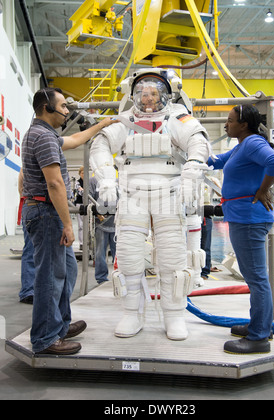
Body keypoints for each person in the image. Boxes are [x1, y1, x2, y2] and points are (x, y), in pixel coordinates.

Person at [90, 69, 211, 341]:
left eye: (154, 92)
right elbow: (100, 145)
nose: (148, 97)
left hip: (169, 193)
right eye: (142, 92)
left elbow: (198, 142)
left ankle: (174, 315)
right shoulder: (125, 120)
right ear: (134, 95)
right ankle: (132, 313)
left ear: (165, 94)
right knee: (130, 257)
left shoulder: (177, 117)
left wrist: (192, 170)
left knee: (172, 259)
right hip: (132, 195)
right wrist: (107, 178)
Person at [21, 87, 117, 355]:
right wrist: (67, 224)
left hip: (45, 212)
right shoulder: (43, 137)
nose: (67, 111)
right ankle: (45, 338)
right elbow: (54, 184)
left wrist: (102, 124)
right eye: (63, 106)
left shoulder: (45, 134)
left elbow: (75, 140)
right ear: (46, 108)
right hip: (46, 213)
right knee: (49, 277)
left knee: (66, 271)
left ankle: (59, 325)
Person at [207, 104, 274, 355]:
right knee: (256, 278)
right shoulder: (240, 146)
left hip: (249, 219)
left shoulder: (252, 143)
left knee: (257, 279)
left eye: (230, 121)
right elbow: (215, 162)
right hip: (242, 218)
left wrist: (262, 190)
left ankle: (259, 336)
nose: (226, 125)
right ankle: (259, 324)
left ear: (244, 125)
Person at [89, 176, 116, 284]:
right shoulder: (94, 181)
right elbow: (88, 197)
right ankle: (101, 278)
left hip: (116, 223)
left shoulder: (116, 180)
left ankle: (119, 276)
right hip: (100, 223)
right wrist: (97, 213)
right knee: (100, 252)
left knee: (119, 253)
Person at [18, 168, 35, 304]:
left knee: (31, 251)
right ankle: (28, 290)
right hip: (33, 206)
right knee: (30, 251)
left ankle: (30, 289)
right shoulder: (26, 168)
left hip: (30, 206)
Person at [74, 166, 84, 249]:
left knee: (88, 225)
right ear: (79, 174)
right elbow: (81, 192)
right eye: (82, 173)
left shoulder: (90, 181)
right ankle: (81, 243)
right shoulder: (77, 182)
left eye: (85, 173)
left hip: (88, 204)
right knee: (81, 225)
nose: (83, 174)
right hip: (80, 204)